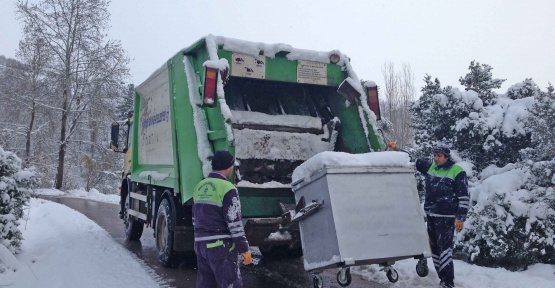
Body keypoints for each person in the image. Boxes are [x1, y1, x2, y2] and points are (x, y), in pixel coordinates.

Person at [389, 142, 469, 288]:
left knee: (445, 251)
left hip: (446, 218)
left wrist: (461, 217)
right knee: (436, 251)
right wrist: (396, 149)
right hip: (432, 216)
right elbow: (413, 159)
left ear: (446, 157)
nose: (436, 158)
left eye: (439, 156)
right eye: (434, 155)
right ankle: (442, 280)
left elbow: (464, 196)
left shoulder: (457, 171)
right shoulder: (432, 168)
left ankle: (448, 283)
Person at [192, 150, 251, 288]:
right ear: (229, 167)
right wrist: (245, 249)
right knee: (230, 284)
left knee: (206, 284)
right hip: (220, 247)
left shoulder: (199, 186)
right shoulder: (228, 188)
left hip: (200, 245)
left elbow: (195, 219)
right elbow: (234, 224)